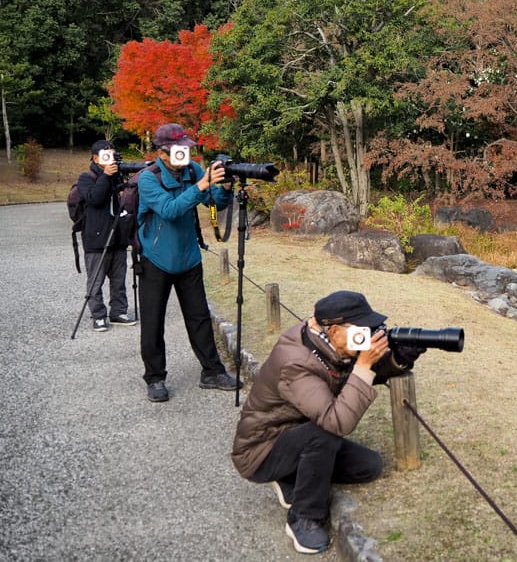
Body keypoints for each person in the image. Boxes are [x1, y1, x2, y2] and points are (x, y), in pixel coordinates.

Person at [231, 290, 422, 555]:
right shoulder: (296, 362)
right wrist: (364, 365)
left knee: (369, 466)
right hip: (261, 451)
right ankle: (304, 516)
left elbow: (351, 375)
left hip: (299, 432)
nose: (368, 334)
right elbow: (337, 421)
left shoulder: (328, 342)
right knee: (325, 433)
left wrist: (397, 360)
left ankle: (290, 477)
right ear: (333, 331)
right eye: (362, 328)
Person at [137, 123, 239, 403]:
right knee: (153, 322)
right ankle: (155, 378)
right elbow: (170, 210)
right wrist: (202, 184)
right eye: (178, 150)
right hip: (156, 260)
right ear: (162, 152)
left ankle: (212, 372)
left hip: (189, 257)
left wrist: (224, 186)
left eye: (186, 149)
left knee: (199, 318)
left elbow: (214, 203)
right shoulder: (148, 178)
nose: (185, 154)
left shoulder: (192, 170)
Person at [77, 140, 135, 332]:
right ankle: (99, 316)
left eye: (113, 155)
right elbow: (94, 199)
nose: (111, 159)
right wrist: (106, 176)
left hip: (117, 237)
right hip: (96, 239)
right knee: (96, 281)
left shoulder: (116, 176)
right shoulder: (86, 177)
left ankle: (118, 312)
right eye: (106, 155)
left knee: (119, 280)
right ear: (95, 158)